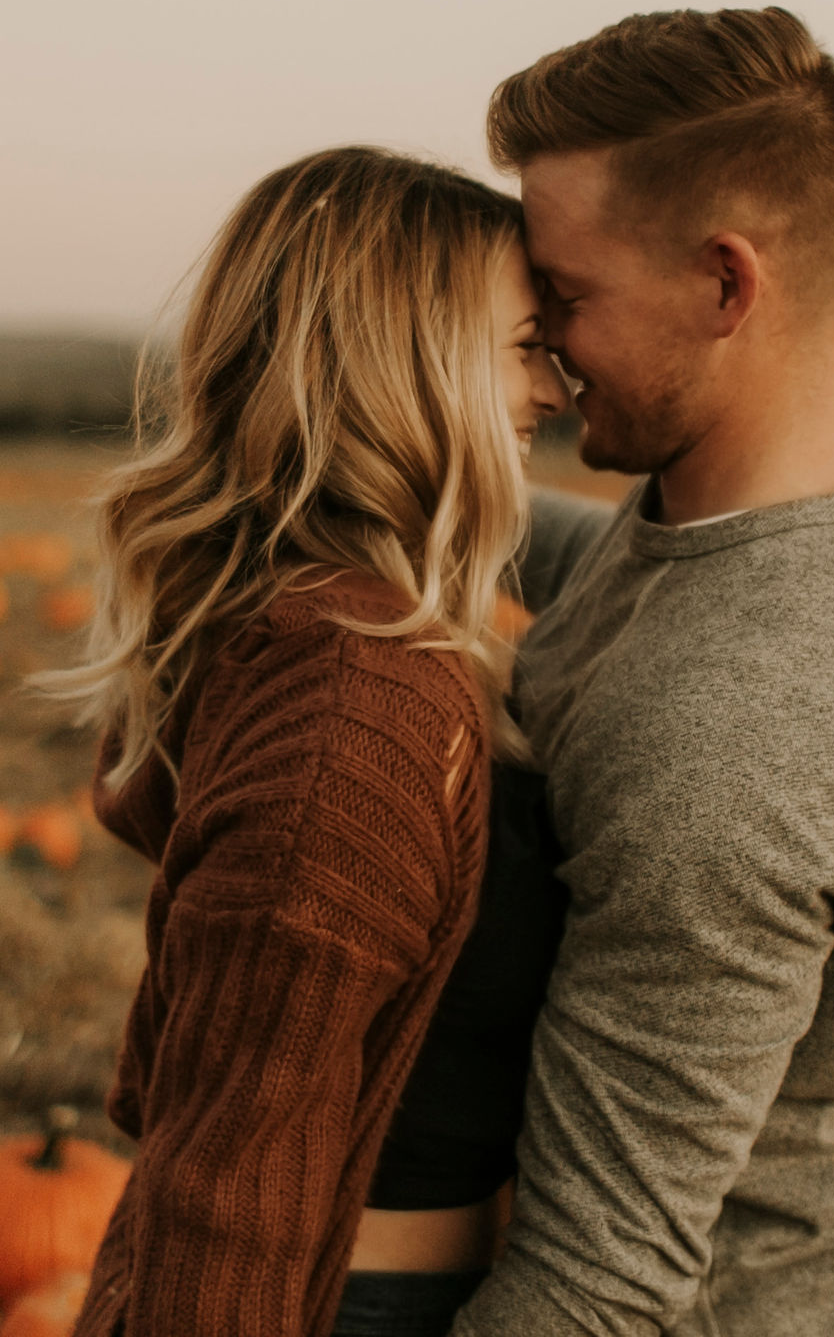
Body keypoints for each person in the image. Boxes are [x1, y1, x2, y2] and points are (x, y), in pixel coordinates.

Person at [449, 8, 834, 1336]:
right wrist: (377, 478)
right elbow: (643, 591)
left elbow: (594, 1288)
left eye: (567, 300)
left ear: (726, 284)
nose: (548, 347)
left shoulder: (735, 745)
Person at [46, 145, 567, 1337]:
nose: (555, 389)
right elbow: (234, 1187)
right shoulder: (353, 706)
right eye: (524, 345)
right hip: (350, 1305)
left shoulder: (336, 624)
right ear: (408, 367)